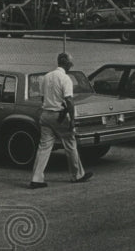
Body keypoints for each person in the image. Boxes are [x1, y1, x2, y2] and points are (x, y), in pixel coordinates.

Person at [30, 52, 93, 188]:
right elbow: (69, 100)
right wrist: (72, 120)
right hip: (59, 115)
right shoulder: (65, 79)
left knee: (44, 147)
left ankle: (36, 178)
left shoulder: (46, 77)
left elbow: (42, 98)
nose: (72, 65)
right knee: (70, 144)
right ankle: (77, 175)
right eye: (71, 63)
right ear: (66, 63)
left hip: (45, 114)